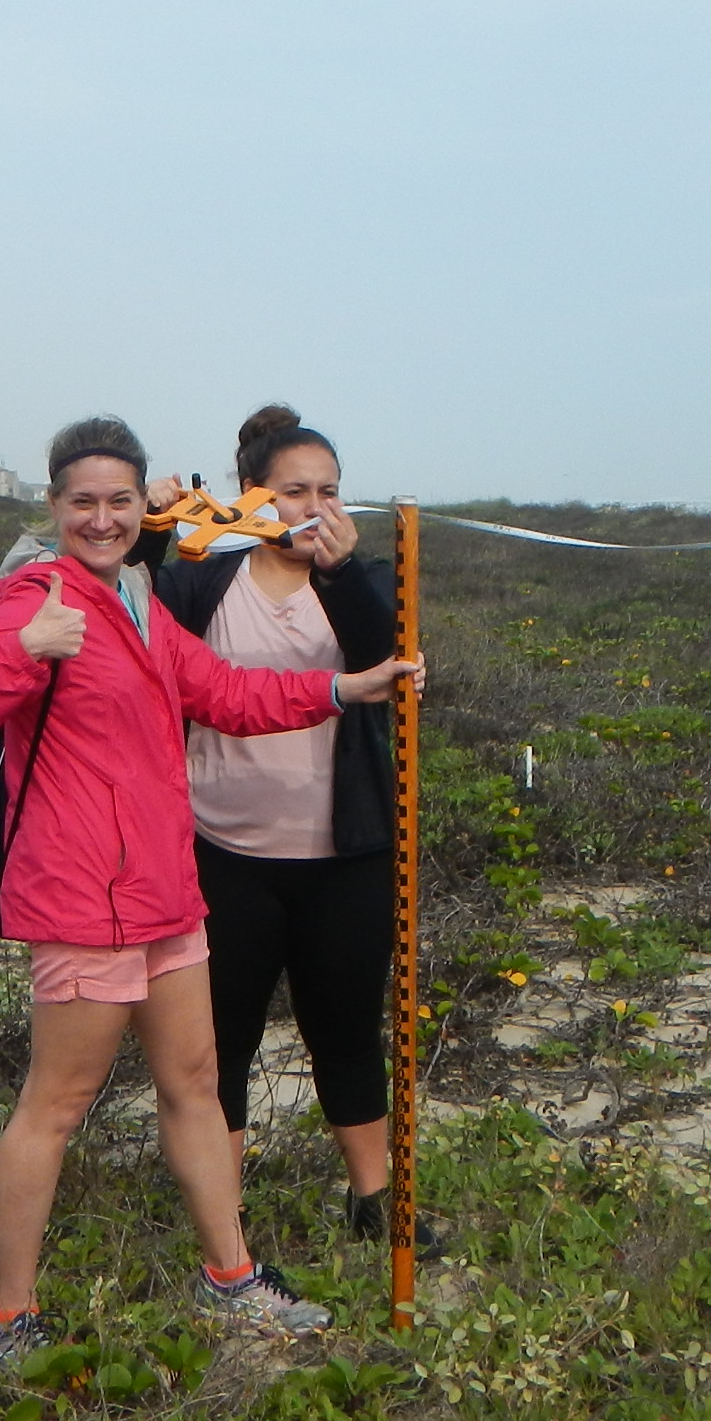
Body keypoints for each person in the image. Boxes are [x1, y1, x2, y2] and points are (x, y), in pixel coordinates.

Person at [0, 416, 423, 1363]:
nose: (101, 519)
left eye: (118, 502)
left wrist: (349, 690)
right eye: (82, 503)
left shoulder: (145, 603)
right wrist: (25, 647)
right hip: (80, 897)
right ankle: (9, 1317)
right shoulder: (38, 596)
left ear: (142, 504)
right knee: (57, 1105)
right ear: (55, 506)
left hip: (164, 891)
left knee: (193, 1082)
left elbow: (226, 693)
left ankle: (231, 1277)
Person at [148, 405, 420, 1241]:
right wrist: (151, 530)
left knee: (345, 1027)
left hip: (347, 851)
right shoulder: (204, 577)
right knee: (218, 1044)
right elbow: (130, 615)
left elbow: (389, 656)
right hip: (220, 850)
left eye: (330, 491)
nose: (314, 507)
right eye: (293, 490)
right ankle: (222, 1216)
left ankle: (374, 1200)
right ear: (248, 496)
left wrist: (338, 578)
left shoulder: (368, 580)